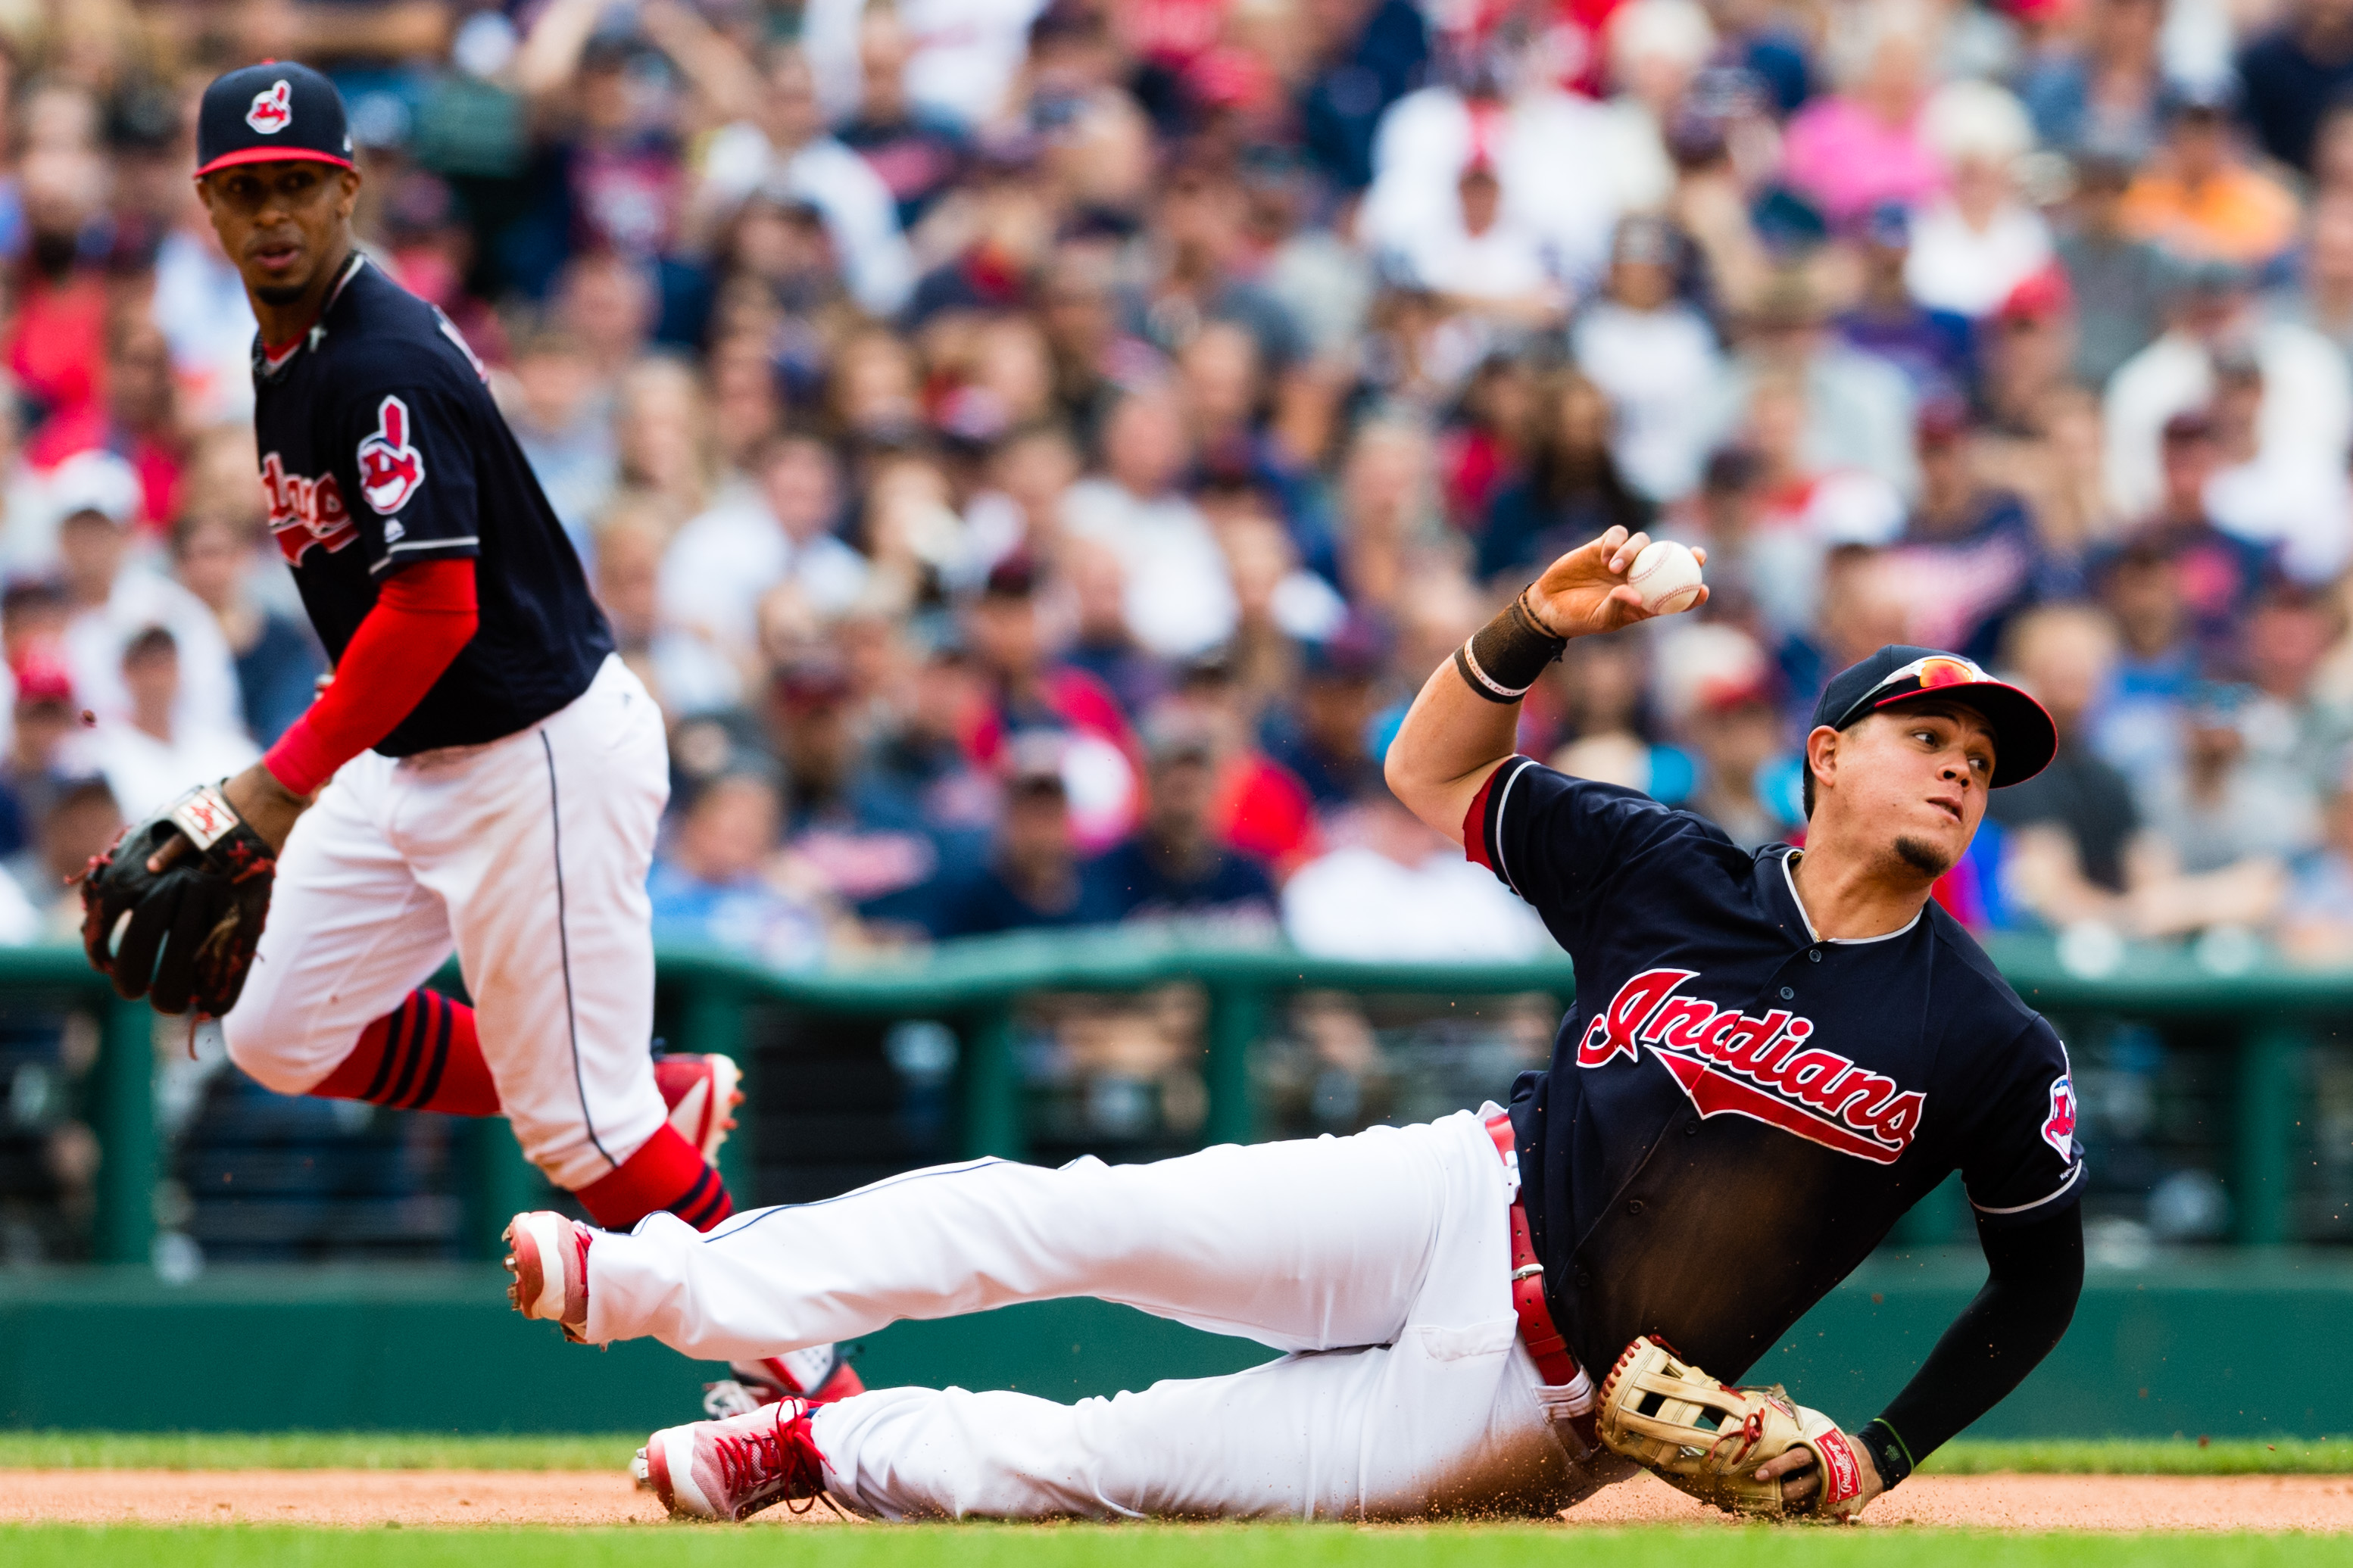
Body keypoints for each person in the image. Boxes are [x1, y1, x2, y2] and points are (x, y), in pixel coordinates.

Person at [497, 528, 2081, 1526]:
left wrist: (1880, 1448)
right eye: (1925, 733)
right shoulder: (1670, 871)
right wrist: (1534, 621)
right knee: (1068, 1210)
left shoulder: (1986, 1037)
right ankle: (667, 1283)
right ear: (1824, 755)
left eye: (1980, 757)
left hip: (1531, 1401)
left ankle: (814, 1450)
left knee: (1109, 1462)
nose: (1958, 766)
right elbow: (1431, 774)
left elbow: (2039, 1279)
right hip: (1466, 1190)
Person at [123, 64, 858, 1411]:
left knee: (583, 1135)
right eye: (245, 191)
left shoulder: (380, 358)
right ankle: (648, 1093)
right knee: (279, 1031)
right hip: (412, 751)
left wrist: (270, 791)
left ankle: (807, 1376)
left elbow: (431, 613)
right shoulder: (287, 345)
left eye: (297, 185)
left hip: (536, 753)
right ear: (209, 207)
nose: (272, 214)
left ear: (345, 190)